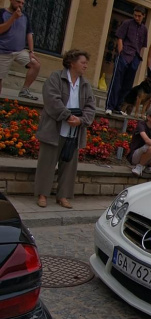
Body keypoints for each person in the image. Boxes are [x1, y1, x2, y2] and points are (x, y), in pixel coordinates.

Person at [34, 50, 96, 209]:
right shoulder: (56, 78)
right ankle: (42, 195)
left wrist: (80, 120)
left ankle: (63, 196)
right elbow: (51, 99)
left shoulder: (85, 84)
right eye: (83, 63)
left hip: (74, 131)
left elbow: (90, 107)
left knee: (69, 166)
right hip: (54, 129)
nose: (86, 66)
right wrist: (67, 116)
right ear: (72, 63)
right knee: (47, 163)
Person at [105, 5, 148, 115]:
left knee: (127, 85)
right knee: (117, 81)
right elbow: (120, 37)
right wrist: (121, 51)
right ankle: (110, 106)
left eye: (139, 16)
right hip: (125, 54)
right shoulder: (127, 23)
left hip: (135, 57)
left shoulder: (144, 29)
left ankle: (118, 106)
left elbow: (143, 45)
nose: (137, 18)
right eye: (135, 15)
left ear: (143, 16)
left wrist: (138, 57)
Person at [0, 0, 40, 99]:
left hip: (19, 51)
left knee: (35, 65)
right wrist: (13, 18)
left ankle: (24, 90)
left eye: (22, 3)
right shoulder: (2, 13)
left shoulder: (25, 16)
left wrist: (31, 51)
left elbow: (29, 34)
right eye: (18, 2)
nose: (20, 5)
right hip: (3, 51)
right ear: (11, 1)